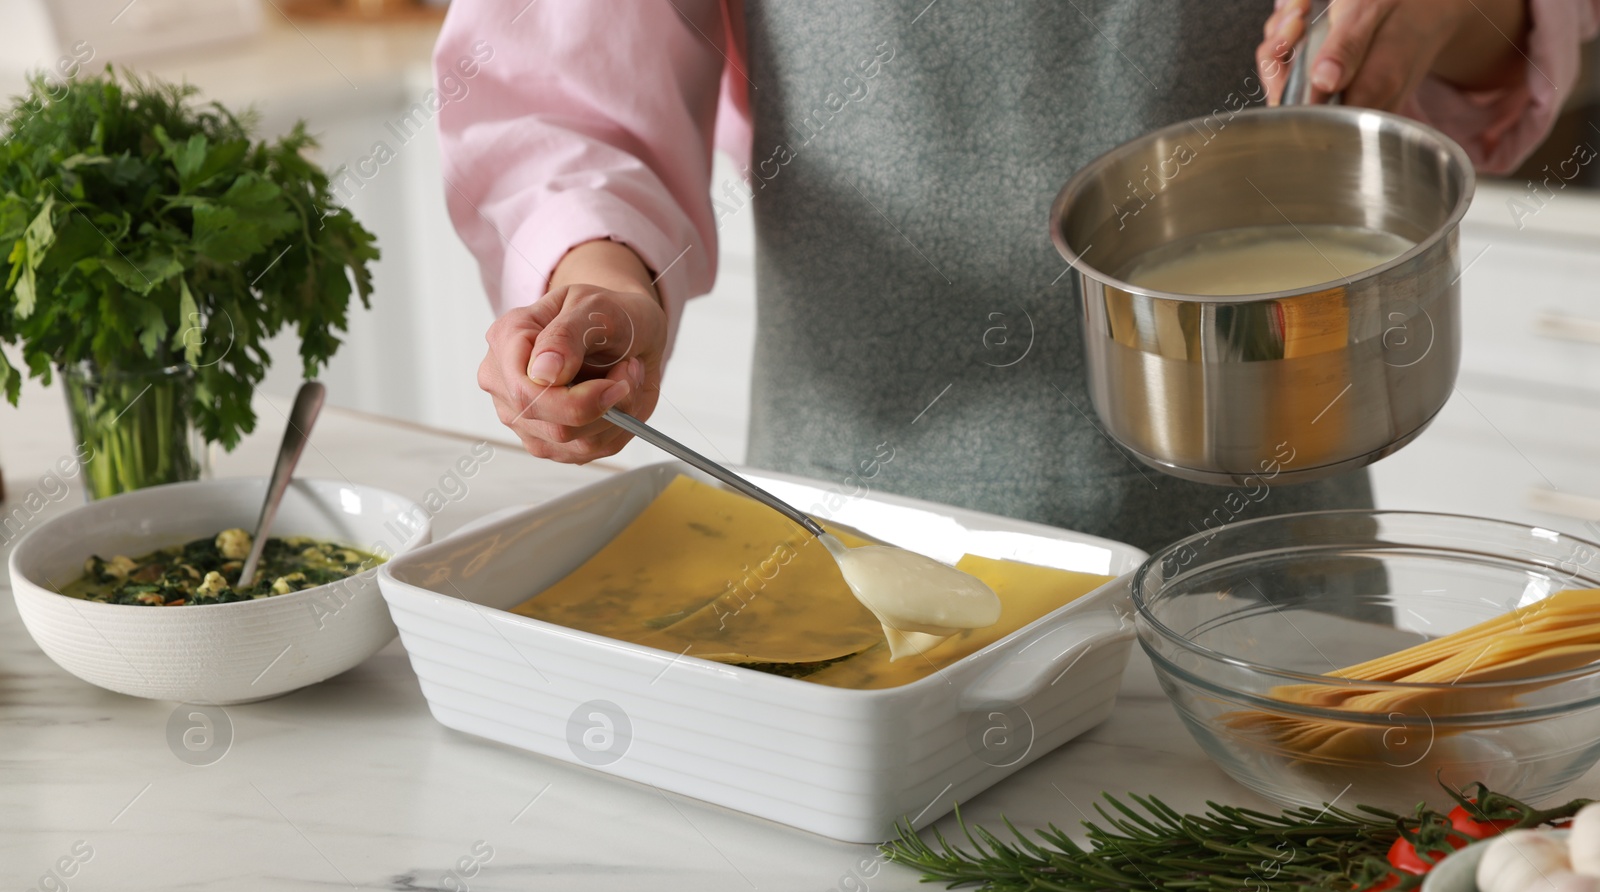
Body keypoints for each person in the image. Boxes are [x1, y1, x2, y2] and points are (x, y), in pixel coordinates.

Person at [437, 0, 1599, 552]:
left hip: (1263, 577)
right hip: (852, 557)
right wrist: (602, 281)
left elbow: (1499, 30)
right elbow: (563, 83)